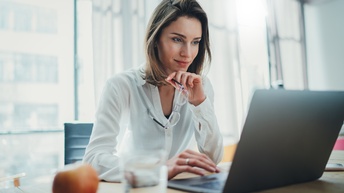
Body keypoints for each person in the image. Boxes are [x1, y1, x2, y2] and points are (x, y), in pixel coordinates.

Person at [83, 0, 226, 182]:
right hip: (137, 188)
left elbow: (212, 158)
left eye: (195, 42)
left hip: (178, 188)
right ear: (156, 38)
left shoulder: (201, 86)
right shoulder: (120, 85)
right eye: (177, 39)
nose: (187, 53)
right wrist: (158, 170)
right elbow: (93, 160)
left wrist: (200, 104)